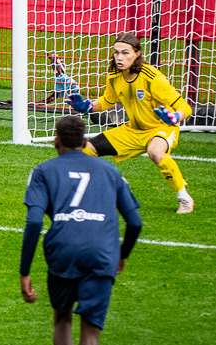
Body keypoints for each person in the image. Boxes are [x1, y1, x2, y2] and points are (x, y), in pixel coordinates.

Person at [20, 115, 143, 345]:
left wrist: (25, 271)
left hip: (63, 253)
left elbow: (33, 222)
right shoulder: (110, 171)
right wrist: (122, 256)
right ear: (85, 141)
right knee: (91, 334)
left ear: (56, 140)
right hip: (102, 255)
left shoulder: (43, 171)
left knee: (62, 318)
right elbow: (135, 222)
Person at [66, 32, 196, 214]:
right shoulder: (114, 75)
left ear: (137, 54)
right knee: (84, 150)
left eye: (125, 53)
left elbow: (185, 107)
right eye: (116, 52)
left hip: (161, 128)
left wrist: (175, 117)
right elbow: (108, 100)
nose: (119, 57)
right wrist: (87, 106)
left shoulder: (153, 78)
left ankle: (184, 198)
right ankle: (117, 183)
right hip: (133, 130)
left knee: (155, 152)